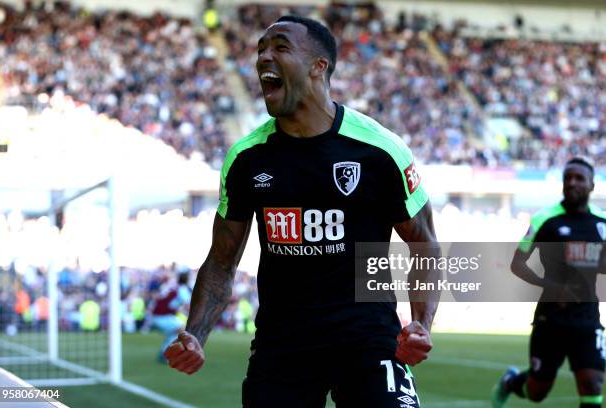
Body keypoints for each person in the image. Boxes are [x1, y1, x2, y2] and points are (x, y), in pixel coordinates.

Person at [165, 15, 441, 407]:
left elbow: (424, 243)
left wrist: (421, 324)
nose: (263, 57)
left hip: (368, 340)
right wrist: (196, 333)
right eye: (260, 49)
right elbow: (222, 260)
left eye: (280, 47)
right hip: (283, 345)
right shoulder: (246, 158)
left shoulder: (379, 150)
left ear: (318, 66)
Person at [492, 157, 606, 408]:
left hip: (587, 316)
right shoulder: (545, 220)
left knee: (593, 383)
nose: (572, 183)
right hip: (551, 317)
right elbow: (517, 264)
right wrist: (551, 286)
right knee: (538, 391)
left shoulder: (602, 223)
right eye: (568, 178)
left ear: (592, 186)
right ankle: (512, 382)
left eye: (579, 178)